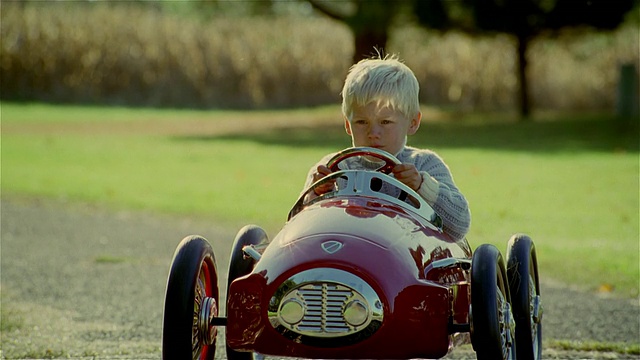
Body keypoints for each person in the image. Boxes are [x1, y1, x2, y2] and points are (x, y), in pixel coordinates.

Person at [302, 54, 471, 241]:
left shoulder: (424, 165)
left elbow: (460, 225)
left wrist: (422, 186)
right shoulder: (334, 168)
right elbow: (298, 229)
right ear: (348, 125)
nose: (373, 132)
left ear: (413, 123)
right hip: (346, 259)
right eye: (361, 122)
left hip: (407, 262)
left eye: (385, 121)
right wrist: (316, 193)